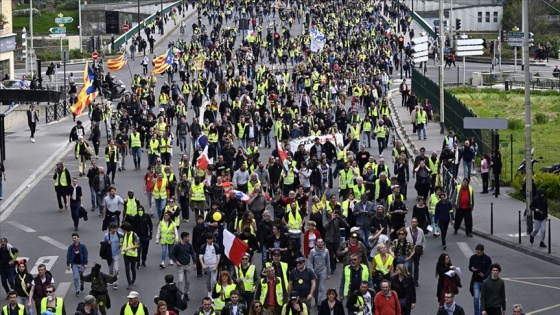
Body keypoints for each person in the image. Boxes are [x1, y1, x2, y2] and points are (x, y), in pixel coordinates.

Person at [171, 232, 196, 301]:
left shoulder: (189, 245)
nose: (189, 238)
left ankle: (186, 293)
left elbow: (193, 254)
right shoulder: (178, 245)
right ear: (184, 238)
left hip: (188, 265)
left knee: (188, 281)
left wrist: (194, 263)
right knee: (180, 281)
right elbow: (172, 254)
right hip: (180, 266)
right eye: (188, 237)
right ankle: (179, 295)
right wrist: (176, 261)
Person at [469, 244, 492, 315]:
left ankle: (481, 312)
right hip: (476, 280)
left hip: (484, 281)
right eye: (476, 252)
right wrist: (471, 269)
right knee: (476, 298)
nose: (477, 254)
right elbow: (470, 266)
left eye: (478, 252)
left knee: (483, 298)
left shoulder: (487, 259)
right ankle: (476, 313)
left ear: (482, 251)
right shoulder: (473, 257)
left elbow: (490, 270)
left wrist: (484, 275)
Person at [307, 239, 330, 309]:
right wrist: (311, 273)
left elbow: (328, 262)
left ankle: (319, 304)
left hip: (323, 271)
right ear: (316, 243)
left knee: (321, 288)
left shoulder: (326, 251)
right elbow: (310, 263)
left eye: (321, 242)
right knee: (316, 289)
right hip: (315, 272)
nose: (320, 244)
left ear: (323, 243)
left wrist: (328, 273)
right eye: (318, 242)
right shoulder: (312, 251)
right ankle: (317, 300)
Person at [66, 233, 88, 297]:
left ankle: (82, 284)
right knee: (76, 277)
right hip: (74, 264)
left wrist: (85, 263)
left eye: (75, 238)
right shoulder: (71, 247)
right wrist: (68, 264)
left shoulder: (82, 246)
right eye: (73, 238)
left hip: (81, 264)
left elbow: (85, 254)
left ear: (78, 238)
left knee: (81, 276)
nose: (74, 239)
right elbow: (68, 255)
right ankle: (77, 290)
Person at [199, 234, 220, 299]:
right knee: (208, 282)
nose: (210, 240)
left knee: (213, 281)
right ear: (206, 240)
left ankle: (213, 293)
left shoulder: (216, 246)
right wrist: (203, 265)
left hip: (213, 265)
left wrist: (216, 266)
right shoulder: (203, 247)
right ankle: (209, 292)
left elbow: (218, 257)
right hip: (206, 266)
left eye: (211, 239)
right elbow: (200, 257)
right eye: (209, 239)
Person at [406, 218, 426, 287]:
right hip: (409, 251)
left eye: (415, 222)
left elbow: (424, 241)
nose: (414, 223)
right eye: (412, 222)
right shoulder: (407, 230)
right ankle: (410, 279)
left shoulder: (420, 231)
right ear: (411, 223)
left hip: (417, 251)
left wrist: (422, 249)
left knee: (416, 266)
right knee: (409, 266)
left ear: (417, 223)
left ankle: (415, 280)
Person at [120, 222, 139, 290]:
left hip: (133, 255)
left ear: (126, 229)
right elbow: (124, 242)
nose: (122, 231)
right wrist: (121, 244)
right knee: (127, 269)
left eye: (123, 230)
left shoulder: (134, 235)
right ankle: (129, 283)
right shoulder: (125, 235)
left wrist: (128, 248)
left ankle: (133, 279)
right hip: (126, 254)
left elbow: (136, 245)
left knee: (133, 268)